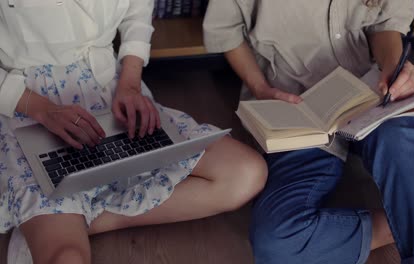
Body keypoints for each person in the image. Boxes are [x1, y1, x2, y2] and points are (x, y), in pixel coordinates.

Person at [0, 1, 268, 263]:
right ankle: (53, 222)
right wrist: (42, 110)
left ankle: (69, 220)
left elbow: (138, 12)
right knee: (66, 257)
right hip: (27, 103)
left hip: (110, 92)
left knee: (245, 174)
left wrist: (130, 83)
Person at [203, 0, 414, 263]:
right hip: (293, 102)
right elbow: (225, 29)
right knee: (277, 243)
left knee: (400, 142)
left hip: (370, 90)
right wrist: (259, 87)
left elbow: (385, 22)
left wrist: (394, 67)